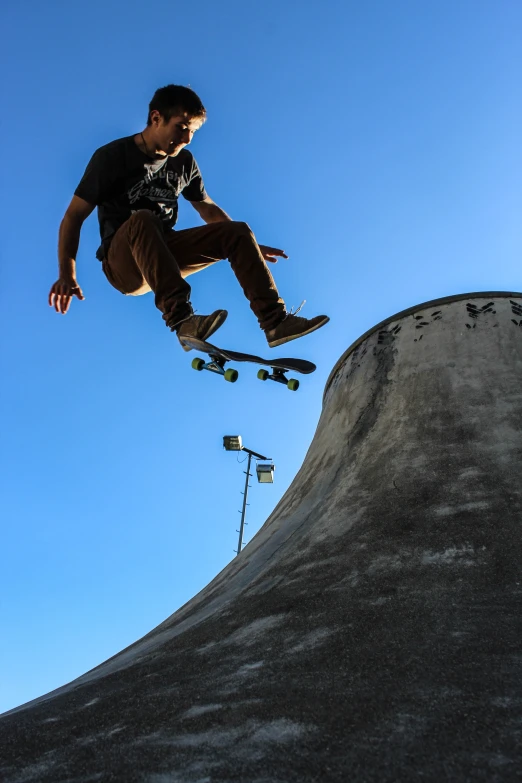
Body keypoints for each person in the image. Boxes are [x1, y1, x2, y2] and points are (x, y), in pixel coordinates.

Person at [48, 84, 329, 350]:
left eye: (192, 131)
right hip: (123, 263)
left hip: (164, 254)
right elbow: (73, 217)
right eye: (181, 128)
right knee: (144, 219)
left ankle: (275, 322)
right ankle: (183, 322)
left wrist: (250, 246)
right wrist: (67, 274)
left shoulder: (184, 163)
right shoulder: (112, 157)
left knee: (237, 231)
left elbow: (207, 208)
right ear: (156, 118)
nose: (185, 139)